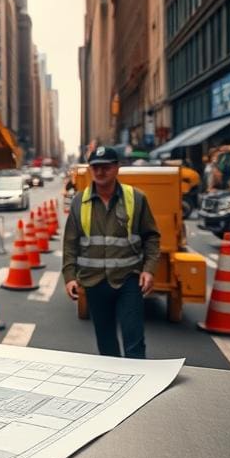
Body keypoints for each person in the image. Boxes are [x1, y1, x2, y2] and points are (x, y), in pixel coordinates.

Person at [62, 145, 161, 358]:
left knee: (134, 340)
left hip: (128, 280)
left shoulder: (136, 198)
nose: (100, 172)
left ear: (117, 168)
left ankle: (138, 386)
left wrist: (149, 270)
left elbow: (151, 236)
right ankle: (115, 386)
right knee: (105, 341)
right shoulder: (79, 201)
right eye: (95, 167)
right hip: (94, 282)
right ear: (90, 169)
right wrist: (69, 276)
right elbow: (70, 242)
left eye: (106, 167)